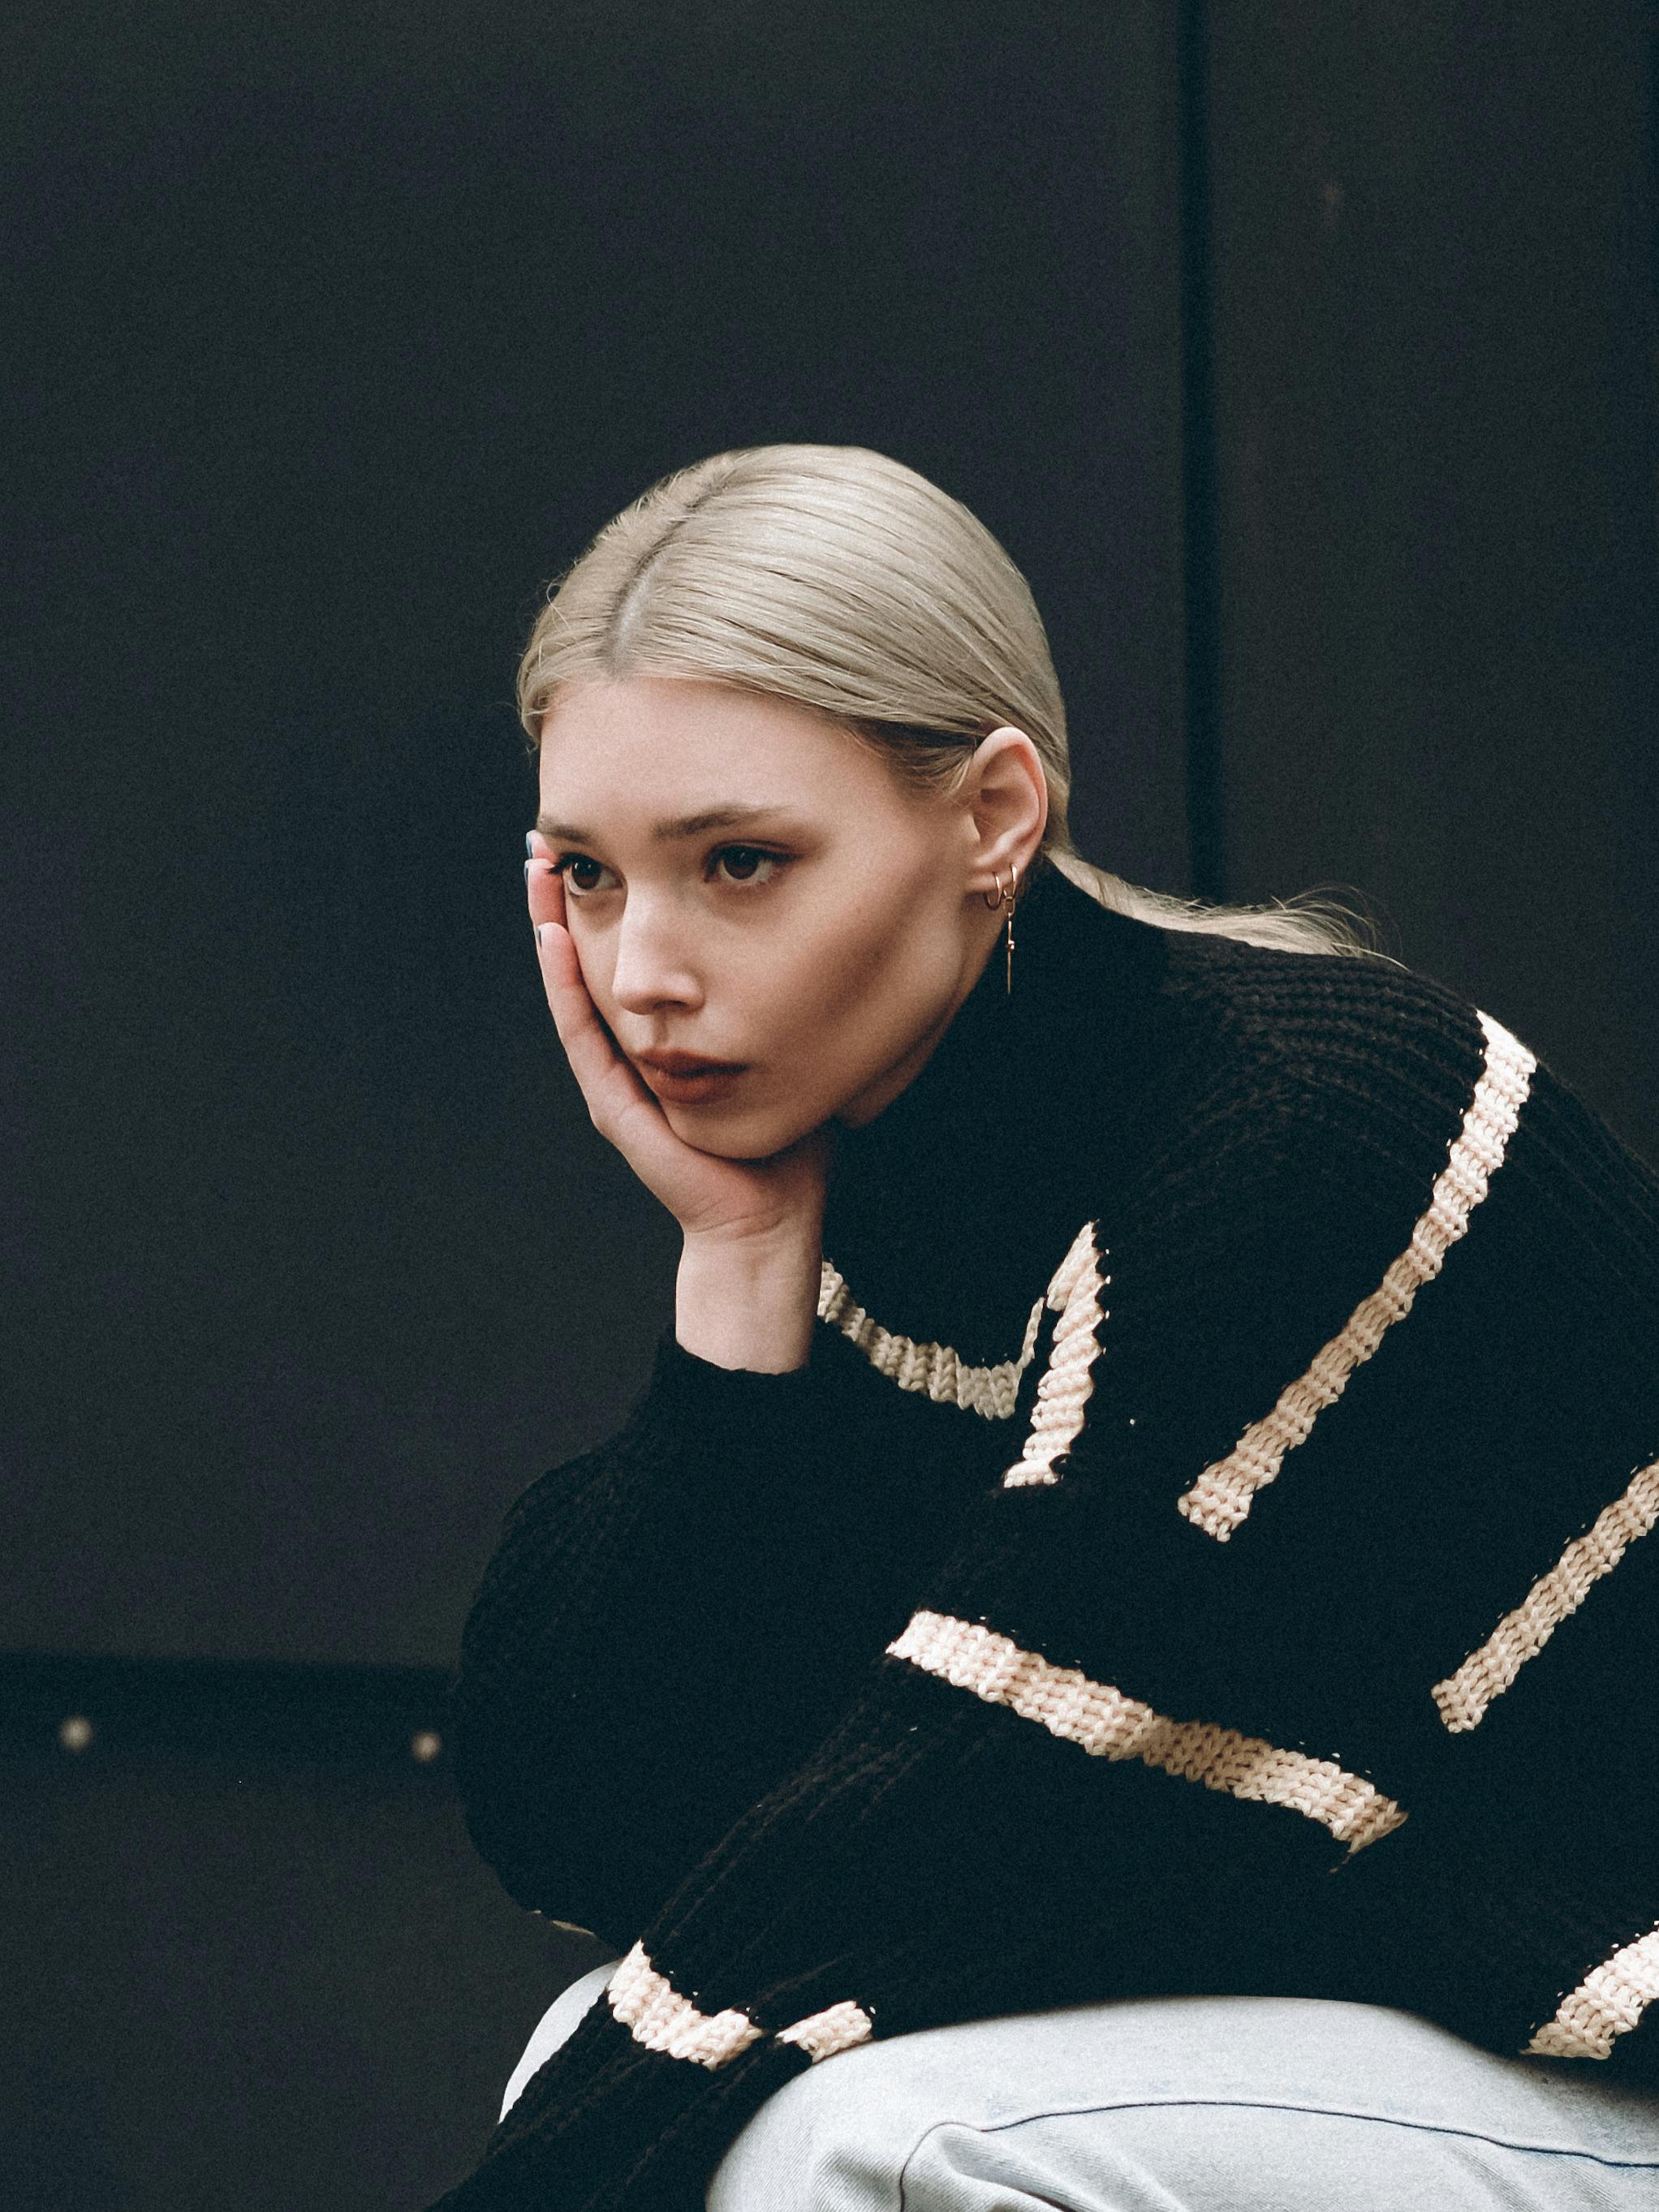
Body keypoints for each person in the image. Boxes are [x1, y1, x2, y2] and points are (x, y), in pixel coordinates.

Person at [429, 445, 1659, 2210]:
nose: (642, 975)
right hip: (1378, 1999)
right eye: (592, 878)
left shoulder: (1305, 1129)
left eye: (741, 863)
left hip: (1598, 2018)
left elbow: (970, 1816)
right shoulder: (864, 1172)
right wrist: (736, 1274)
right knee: (610, 2047)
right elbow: (597, 1823)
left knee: (854, 2137)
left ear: (993, 816)